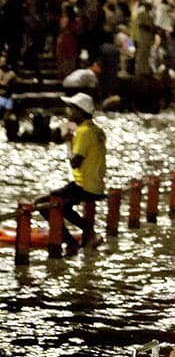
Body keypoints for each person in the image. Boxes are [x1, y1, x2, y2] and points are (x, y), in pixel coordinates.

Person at [35, 93, 105, 254]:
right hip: (96, 183)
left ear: (80, 112)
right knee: (63, 205)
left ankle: (72, 241)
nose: (68, 112)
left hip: (85, 185)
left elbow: (75, 162)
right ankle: (88, 234)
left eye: (72, 109)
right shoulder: (97, 130)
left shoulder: (83, 131)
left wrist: (68, 141)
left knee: (41, 203)